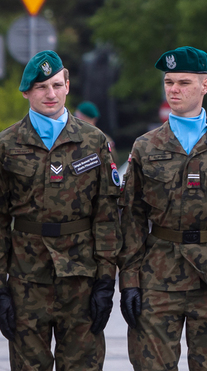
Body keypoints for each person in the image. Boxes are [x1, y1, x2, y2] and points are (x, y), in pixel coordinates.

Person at [118, 46, 207, 371]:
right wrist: (129, 282)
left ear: (205, 85)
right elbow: (132, 220)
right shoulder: (146, 146)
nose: (174, 90)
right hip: (158, 276)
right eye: (169, 82)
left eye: (183, 82)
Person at [0, 51, 121, 369]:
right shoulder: (7, 145)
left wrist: (106, 281)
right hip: (27, 281)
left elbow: (106, 215)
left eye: (56, 85)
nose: (50, 94)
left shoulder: (93, 141)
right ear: (26, 92)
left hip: (81, 279)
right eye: (40, 87)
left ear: (67, 85)